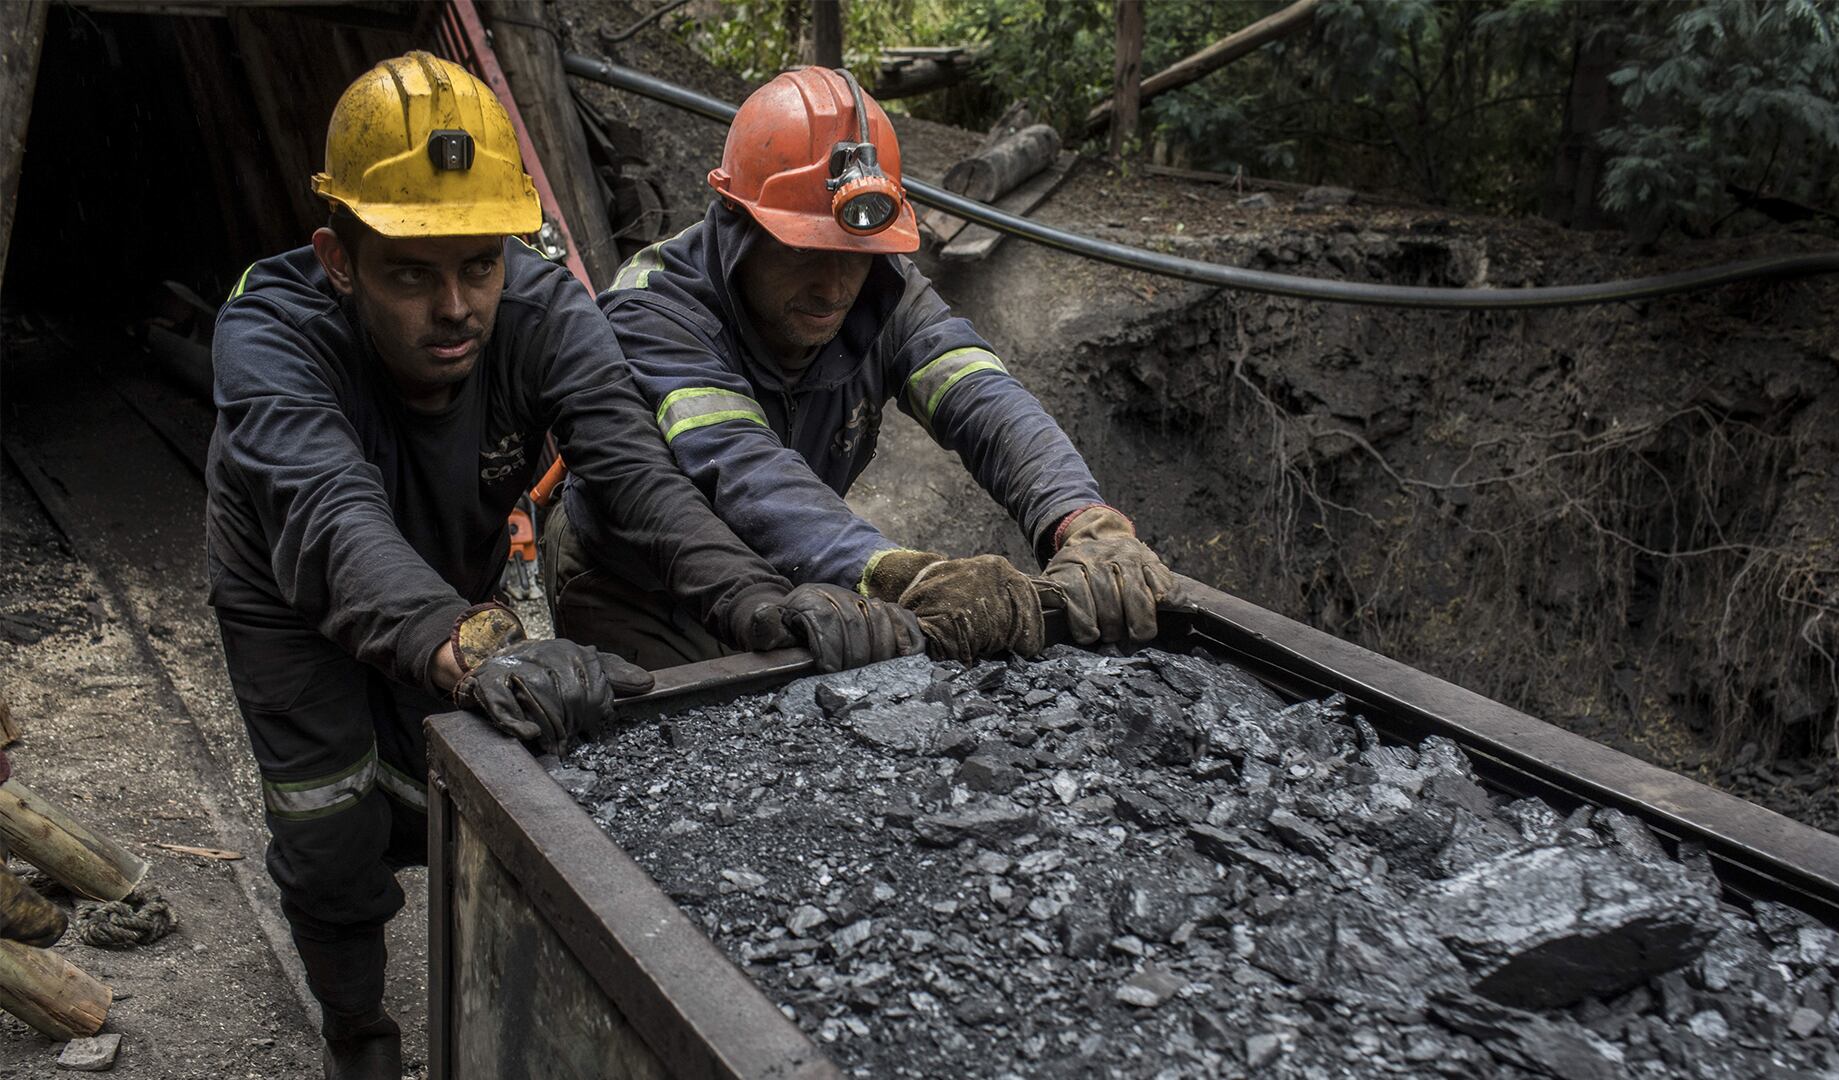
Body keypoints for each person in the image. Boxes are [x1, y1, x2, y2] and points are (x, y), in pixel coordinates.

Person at [206, 53, 917, 1080]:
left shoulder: (542, 315)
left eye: (479, 265)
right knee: (328, 818)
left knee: (457, 779)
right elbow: (329, 515)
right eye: (413, 272)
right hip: (289, 581)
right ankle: (357, 1035)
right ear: (338, 257)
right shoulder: (270, 336)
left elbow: (638, 476)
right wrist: (470, 638)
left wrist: (760, 601)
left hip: (453, 564)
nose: (456, 306)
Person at [543, 67, 1174, 668]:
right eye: (804, 252)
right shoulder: (655, 309)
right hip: (635, 589)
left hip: (789, 571)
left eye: (857, 254)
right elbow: (740, 467)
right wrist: (900, 572)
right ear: (737, 224)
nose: (835, 287)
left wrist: (1078, 518)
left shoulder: (882, 287)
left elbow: (984, 400)